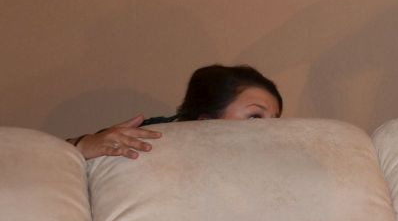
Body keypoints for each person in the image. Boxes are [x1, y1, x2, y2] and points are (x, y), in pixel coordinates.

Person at [68, 64, 283, 160]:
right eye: (255, 117)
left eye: (275, 120)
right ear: (206, 121)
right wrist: (82, 145)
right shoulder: (152, 137)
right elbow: (53, 156)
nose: (270, 129)